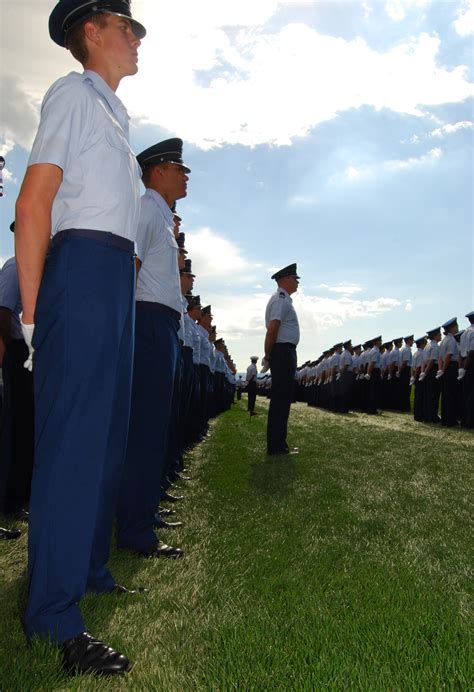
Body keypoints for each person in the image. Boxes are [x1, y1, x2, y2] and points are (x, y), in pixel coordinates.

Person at [14, 0, 146, 675]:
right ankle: (53, 616)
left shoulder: (115, 116)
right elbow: (33, 203)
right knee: (72, 446)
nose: (139, 37)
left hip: (113, 276)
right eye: (130, 27)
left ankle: (88, 567)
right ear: (91, 31)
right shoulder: (73, 94)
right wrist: (33, 317)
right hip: (82, 272)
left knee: (107, 438)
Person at [116, 138, 190, 559]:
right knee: (143, 430)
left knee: (153, 427)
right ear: (157, 171)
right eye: (179, 169)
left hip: (161, 325)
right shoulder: (147, 209)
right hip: (146, 323)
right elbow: (132, 271)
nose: (185, 177)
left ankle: (143, 514)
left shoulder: (164, 217)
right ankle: (135, 529)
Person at [263, 263, 300, 455]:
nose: (297, 282)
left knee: (282, 399)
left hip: (284, 352)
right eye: (295, 279)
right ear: (285, 279)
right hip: (282, 352)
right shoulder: (280, 300)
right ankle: (276, 445)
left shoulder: (283, 300)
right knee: (281, 400)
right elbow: (272, 330)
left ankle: (279, 443)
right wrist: (268, 355)